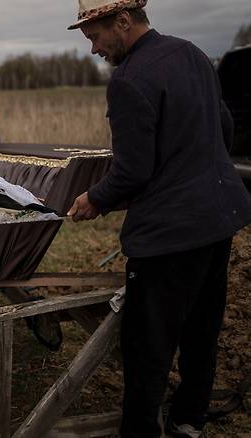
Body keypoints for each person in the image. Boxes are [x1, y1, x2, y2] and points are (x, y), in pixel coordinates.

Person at [66, 1, 251, 437]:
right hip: (217, 220)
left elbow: (132, 172)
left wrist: (94, 198)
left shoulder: (129, 81)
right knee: (202, 330)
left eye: (94, 37)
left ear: (124, 22)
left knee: (147, 346)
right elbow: (223, 127)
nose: (93, 50)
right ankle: (189, 421)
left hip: (169, 237)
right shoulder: (193, 54)